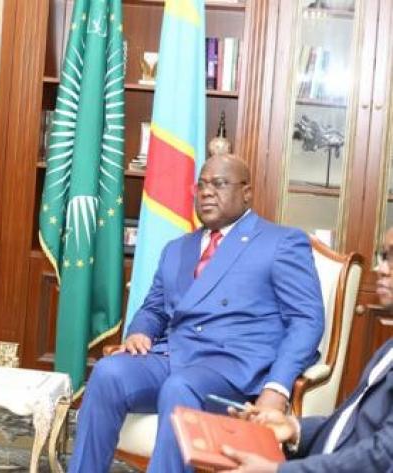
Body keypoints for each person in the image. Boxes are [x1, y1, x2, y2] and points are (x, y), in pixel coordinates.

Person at [68, 154, 325, 473]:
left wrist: (277, 388)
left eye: (219, 184)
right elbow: (154, 308)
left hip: (234, 368)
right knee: (108, 372)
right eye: (201, 185)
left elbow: (306, 321)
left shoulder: (281, 242)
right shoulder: (177, 248)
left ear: (246, 192)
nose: (206, 192)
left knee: (181, 386)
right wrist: (140, 331)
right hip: (172, 357)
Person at [221, 226, 393, 473]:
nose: (381, 269)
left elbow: (382, 457)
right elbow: (351, 425)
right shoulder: (388, 348)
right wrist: (293, 428)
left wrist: (276, 471)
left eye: (392, 258)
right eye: (383, 256)